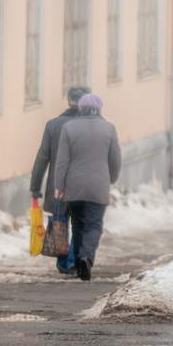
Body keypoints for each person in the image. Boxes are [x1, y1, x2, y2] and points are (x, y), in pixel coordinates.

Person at [54, 93, 121, 281]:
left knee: (77, 225)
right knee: (94, 225)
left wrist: (59, 185)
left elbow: (62, 161)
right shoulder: (109, 128)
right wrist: (112, 177)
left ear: (80, 109)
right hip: (98, 185)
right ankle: (86, 257)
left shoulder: (69, 128)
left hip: (73, 186)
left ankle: (77, 262)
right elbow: (115, 159)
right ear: (99, 109)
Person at [30, 86, 90, 274]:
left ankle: (63, 261)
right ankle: (71, 261)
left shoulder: (53, 125)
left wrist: (35, 186)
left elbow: (42, 158)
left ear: (68, 101)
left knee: (59, 221)